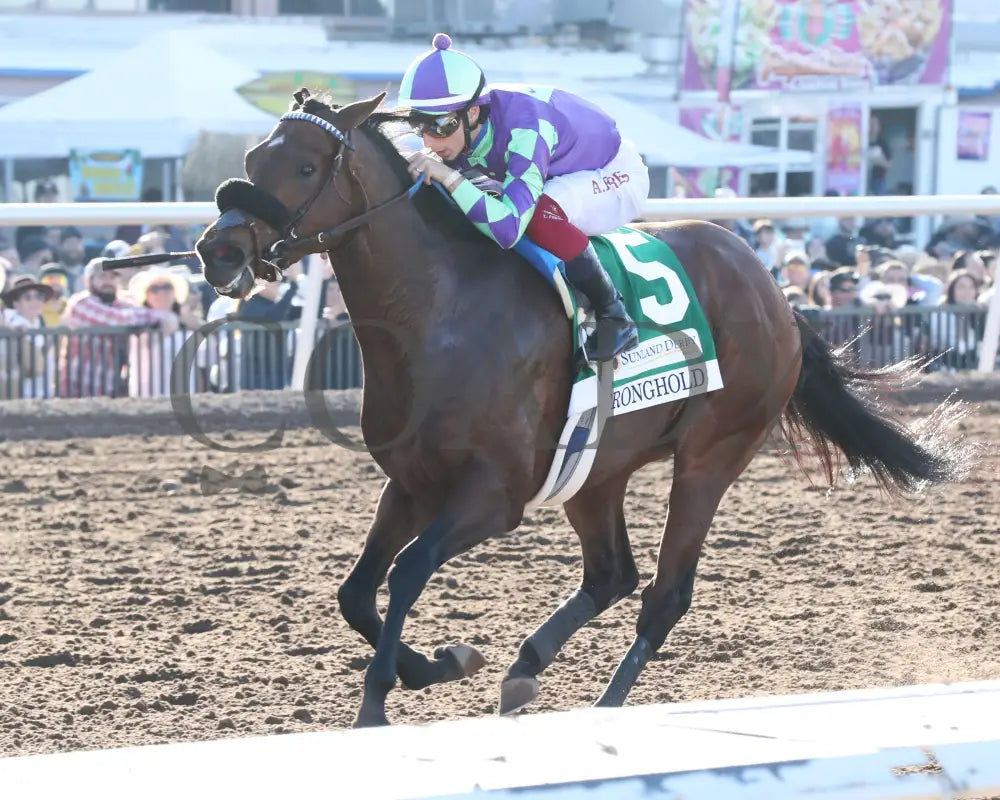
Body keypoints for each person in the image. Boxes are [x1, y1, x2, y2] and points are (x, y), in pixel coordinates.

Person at [397, 33, 647, 362]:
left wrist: (450, 176)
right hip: (558, 171)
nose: (429, 139)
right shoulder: (465, 128)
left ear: (473, 114)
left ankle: (614, 314)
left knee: (538, 214)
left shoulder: (526, 129)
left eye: (441, 125)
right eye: (419, 126)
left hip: (613, 172)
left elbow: (509, 228)